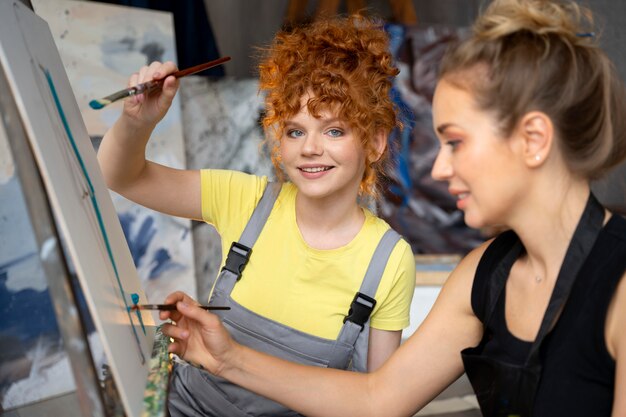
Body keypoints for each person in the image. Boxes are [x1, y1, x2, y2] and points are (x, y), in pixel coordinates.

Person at [159, 0, 626, 416]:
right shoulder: (481, 275)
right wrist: (227, 358)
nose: (439, 169)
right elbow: (377, 400)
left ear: (533, 139)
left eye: (456, 142)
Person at [97, 15, 417, 417]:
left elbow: (379, 401)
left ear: (373, 142)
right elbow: (120, 175)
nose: (310, 148)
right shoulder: (244, 200)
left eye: (334, 131)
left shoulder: (388, 259)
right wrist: (136, 121)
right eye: (295, 131)